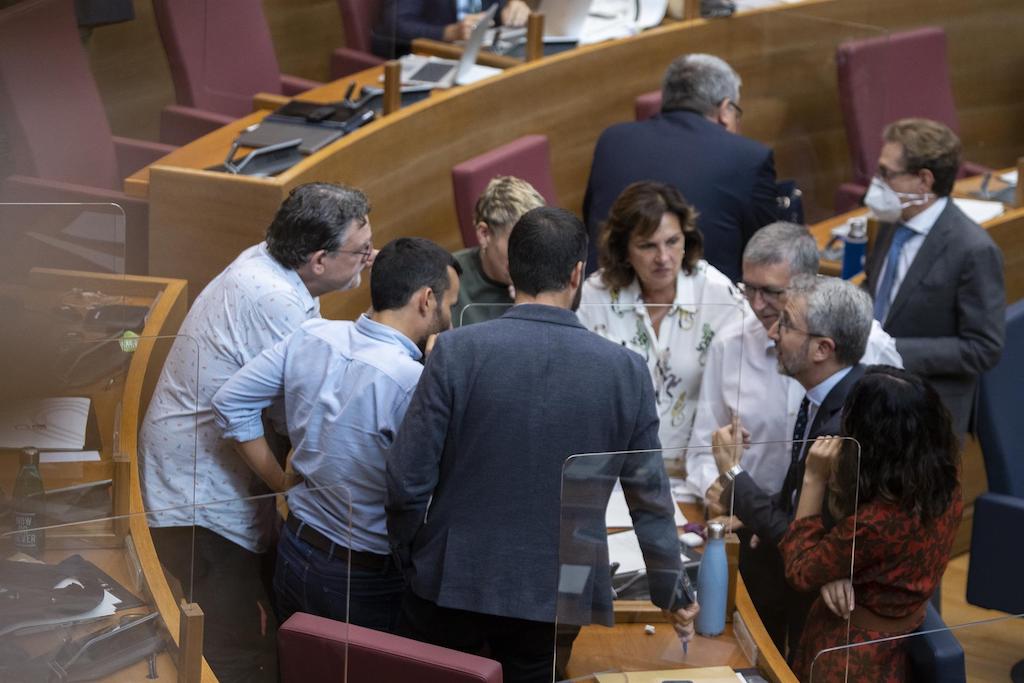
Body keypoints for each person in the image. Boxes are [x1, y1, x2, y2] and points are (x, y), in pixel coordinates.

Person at [386, 207, 698, 683]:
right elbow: (650, 500)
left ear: (511, 269)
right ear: (577, 274)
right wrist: (671, 589)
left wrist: (413, 560)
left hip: (453, 577)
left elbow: (407, 483)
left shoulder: (456, 351)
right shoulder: (625, 372)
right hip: (560, 590)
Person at [139, 183, 374, 682]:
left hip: (206, 483)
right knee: (238, 650)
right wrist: (285, 487)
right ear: (317, 259)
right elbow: (303, 417)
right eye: (361, 251)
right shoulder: (273, 299)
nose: (369, 259)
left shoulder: (269, 262)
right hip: (197, 500)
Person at [211, 237, 461, 633]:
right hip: (363, 580)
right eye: (449, 305)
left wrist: (279, 481)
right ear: (426, 299)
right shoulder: (412, 382)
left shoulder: (311, 335)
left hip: (294, 551)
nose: (449, 319)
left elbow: (229, 401)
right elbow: (433, 486)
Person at [709, 275, 873, 657]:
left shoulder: (843, 430)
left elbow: (807, 544)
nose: (771, 333)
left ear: (822, 349)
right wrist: (756, 519)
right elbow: (797, 499)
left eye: (786, 324)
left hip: (820, 618)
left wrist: (732, 473)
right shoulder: (824, 396)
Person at [689, 222, 902, 501]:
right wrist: (718, 491)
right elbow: (702, 450)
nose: (756, 304)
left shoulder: (869, 344)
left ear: (809, 283)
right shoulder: (730, 345)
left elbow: (896, 449)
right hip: (746, 517)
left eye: (771, 292)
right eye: (749, 289)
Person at [780, 366, 963, 682]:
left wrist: (813, 476)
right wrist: (835, 572)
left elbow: (802, 569)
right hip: (895, 644)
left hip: (848, 657)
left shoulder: (877, 522)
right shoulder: (946, 488)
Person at [577, 181, 743, 461]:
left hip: (694, 472)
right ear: (623, 249)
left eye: (672, 241)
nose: (663, 258)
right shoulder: (593, 297)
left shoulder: (716, 292)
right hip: (613, 470)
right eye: (647, 246)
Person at [583, 53, 780, 281]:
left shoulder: (612, 140)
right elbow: (768, 252)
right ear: (726, 110)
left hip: (606, 301)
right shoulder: (749, 157)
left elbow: (591, 222)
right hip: (711, 308)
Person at [864, 117, 1004, 436]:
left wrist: (890, 348)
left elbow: (982, 348)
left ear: (923, 181)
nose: (877, 181)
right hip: (874, 394)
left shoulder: (973, 249)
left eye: (886, 173)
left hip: (929, 411)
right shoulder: (892, 223)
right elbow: (877, 287)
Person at [453, 175, 545, 326]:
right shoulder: (448, 281)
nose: (529, 255)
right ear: (484, 234)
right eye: (516, 242)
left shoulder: (550, 273)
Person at [372, 0, 530, 58]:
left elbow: (493, 8)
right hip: (424, 58)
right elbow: (396, 25)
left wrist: (512, 5)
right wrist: (450, 32)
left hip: (474, 54)